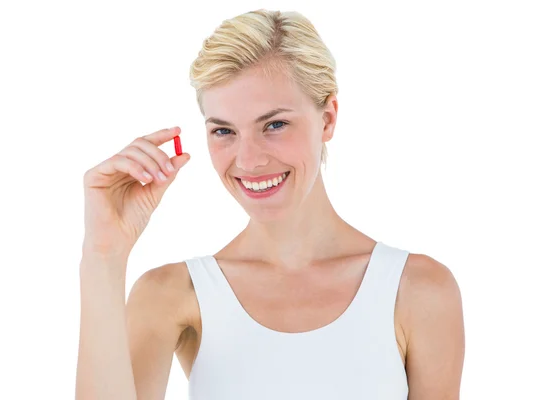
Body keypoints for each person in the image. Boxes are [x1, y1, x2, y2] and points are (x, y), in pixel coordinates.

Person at [75, 9, 465, 400]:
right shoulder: (173, 295)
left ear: (327, 119)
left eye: (274, 125)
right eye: (224, 131)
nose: (248, 160)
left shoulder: (418, 291)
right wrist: (103, 255)